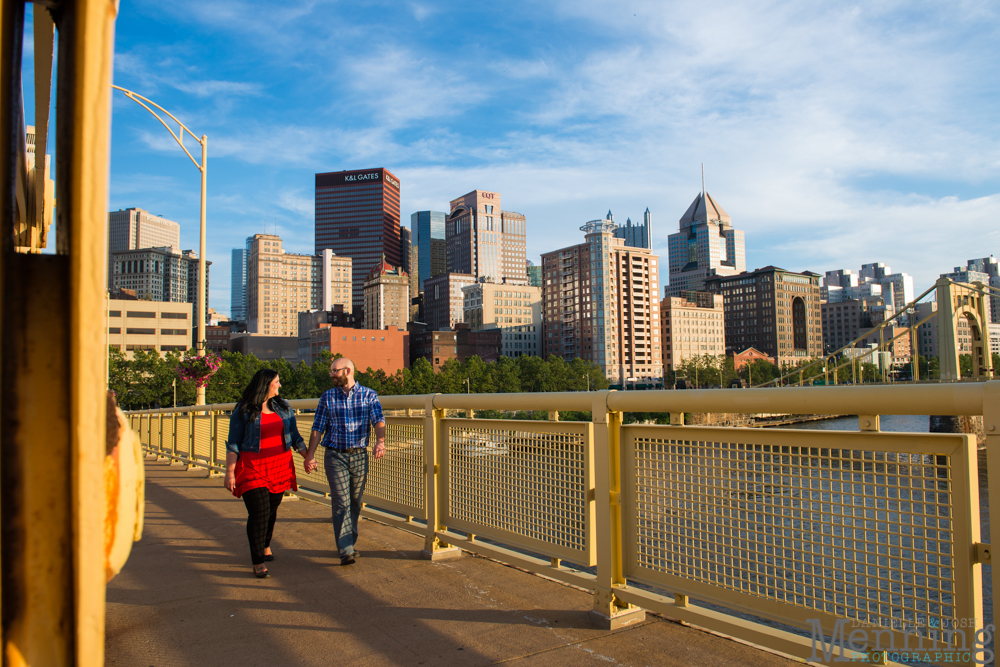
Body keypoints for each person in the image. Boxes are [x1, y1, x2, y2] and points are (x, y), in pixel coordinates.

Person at [225, 369, 309, 578]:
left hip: (280, 465)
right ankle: (258, 561)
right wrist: (229, 472)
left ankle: (265, 544)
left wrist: (307, 456)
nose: (279, 386)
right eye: (277, 382)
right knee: (259, 512)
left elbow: (295, 436)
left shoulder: (283, 406)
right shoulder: (244, 409)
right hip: (253, 467)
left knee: (271, 509)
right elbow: (233, 443)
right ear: (265, 384)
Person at [303, 357, 385, 566]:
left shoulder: (369, 395)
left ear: (347, 371)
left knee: (355, 501)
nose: (331, 375)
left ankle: (349, 541)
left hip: (359, 455)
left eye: (334, 371)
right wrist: (310, 455)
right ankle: (345, 549)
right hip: (335, 455)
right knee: (341, 502)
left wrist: (380, 442)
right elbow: (318, 428)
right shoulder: (327, 397)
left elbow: (378, 419)